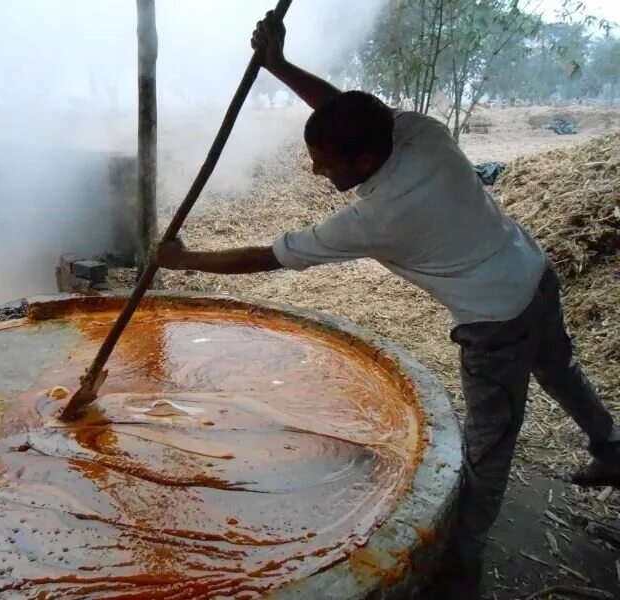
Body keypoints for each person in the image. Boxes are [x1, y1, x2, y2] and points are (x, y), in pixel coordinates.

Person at [153, 11, 620, 598]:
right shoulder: (423, 133)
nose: (316, 168)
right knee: (560, 369)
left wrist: (186, 260)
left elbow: (268, 256)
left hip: (494, 319)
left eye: (325, 160)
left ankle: (461, 562)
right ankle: (611, 447)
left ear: (365, 162)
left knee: (490, 442)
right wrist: (278, 66)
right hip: (532, 271)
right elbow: (347, 107)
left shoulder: (381, 217)